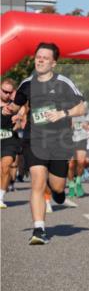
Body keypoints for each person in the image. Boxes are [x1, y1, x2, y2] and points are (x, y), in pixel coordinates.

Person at [3, 43, 88, 244]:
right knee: (37, 181)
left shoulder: (64, 83)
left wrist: (63, 113)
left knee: (57, 186)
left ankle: (58, 192)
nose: (40, 60)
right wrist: (11, 111)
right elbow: (16, 105)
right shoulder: (27, 84)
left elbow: (81, 107)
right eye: (38, 57)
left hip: (59, 142)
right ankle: (39, 229)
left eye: (45, 58)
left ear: (53, 63)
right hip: (34, 139)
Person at [1, 77, 25, 209]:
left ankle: (1, 197)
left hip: (9, 140)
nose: (7, 94)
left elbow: (20, 124)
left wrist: (18, 121)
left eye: (10, 92)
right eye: (4, 91)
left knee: (5, 167)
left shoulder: (16, 105)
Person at [67, 109, 89, 198]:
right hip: (69, 140)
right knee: (71, 165)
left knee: (81, 162)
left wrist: (86, 126)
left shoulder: (85, 110)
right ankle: (71, 186)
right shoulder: (66, 109)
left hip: (82, 138)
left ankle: (78, 182)